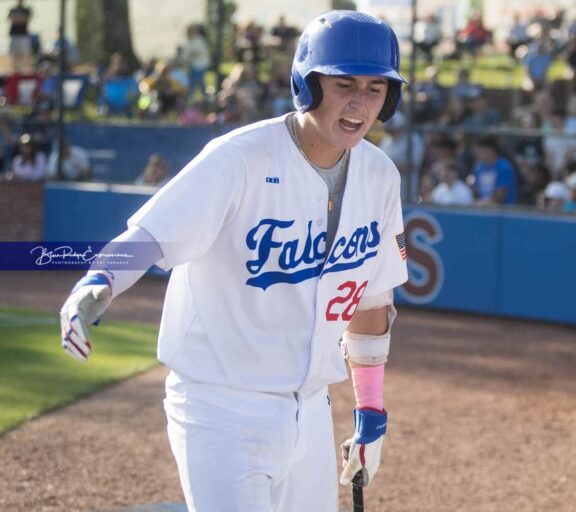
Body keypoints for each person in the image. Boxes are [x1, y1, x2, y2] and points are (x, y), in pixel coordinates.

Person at [57, 11, 408, 512]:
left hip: (310, 409)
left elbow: (371, 304)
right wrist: (99, 281)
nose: (359, 102)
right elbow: (151, 235)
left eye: (376, 88)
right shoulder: (239, 158)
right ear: (307, 85)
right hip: (219, 408)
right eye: (344, 83)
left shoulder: (380, 177)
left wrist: (371, 411)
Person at [470, 136, 517, 205]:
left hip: (502, 209)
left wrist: (485, 203)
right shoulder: (479, 167)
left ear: (490, 150)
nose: (479, 153)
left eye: (481, 150)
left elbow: (501, 194)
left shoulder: (504, 167)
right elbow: (475, 187)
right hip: (482, 207)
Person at [7, 0, 32, 72]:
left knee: (26, 53)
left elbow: (25, 19)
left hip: (23, 35)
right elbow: (10, 18)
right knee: (14, 54)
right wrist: (18, 18)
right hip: (14, 34)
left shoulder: (26, 10)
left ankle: (26, 71)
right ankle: (15, 71)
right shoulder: (12, 9)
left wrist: (17, 18)